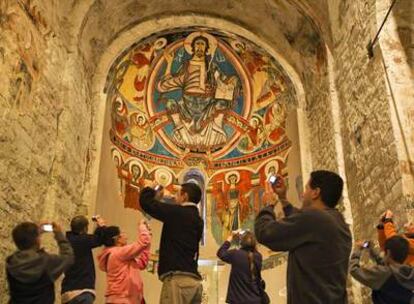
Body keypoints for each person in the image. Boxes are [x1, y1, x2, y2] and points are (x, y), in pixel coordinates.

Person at [255, 170, 352, 304]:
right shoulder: (338, 222)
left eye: (306, 188)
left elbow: (265, 233)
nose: (303, 193)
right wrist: (283, 199)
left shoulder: (314, 219)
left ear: (315, 192)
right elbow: (300, 227)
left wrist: (268, 205)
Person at [139, 183, 204, 304]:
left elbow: (146, 203)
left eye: (177, 193)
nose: (174, 197)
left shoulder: (177, 213)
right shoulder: (198, 220)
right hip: (194, 282)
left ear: (184, 196)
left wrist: (151, 189)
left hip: (177, 281)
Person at [6, 221, 74, 304]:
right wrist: (59, 234)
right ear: (37, 240)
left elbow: (24, 246)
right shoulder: (46, 261)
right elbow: (68, 257)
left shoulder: (11, 262)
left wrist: (34, 234)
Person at [97, 220, 151, 304]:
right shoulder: (119, 253)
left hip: (124, 298)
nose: (126, 236)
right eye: (122, 233)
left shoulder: (118, 254)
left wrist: (148, 235)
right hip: (123, 299)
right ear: (116, 239)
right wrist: (142, 226)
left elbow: (142, 263)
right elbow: (144, 241)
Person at [350, 236, 414, 304]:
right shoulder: (410, 272)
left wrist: (358, 250)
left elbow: (354, 270)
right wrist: (371, 250)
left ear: (388, 252)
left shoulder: (384, 273)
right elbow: (388, 267)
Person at [61, 215, 107, 304]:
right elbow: (100, 239)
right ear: (85, 228)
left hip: (67, 292)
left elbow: (93, 238)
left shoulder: (67, 241)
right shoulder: (83, 240)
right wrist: (101, 224)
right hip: (82, 291)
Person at [217, 230, 263, 304]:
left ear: (241, 242)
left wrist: (231, 236)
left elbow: (220, 253)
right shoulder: (258, 256)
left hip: (237, 300)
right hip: (255, 299)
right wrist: (249, 235)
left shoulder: (235, 254)